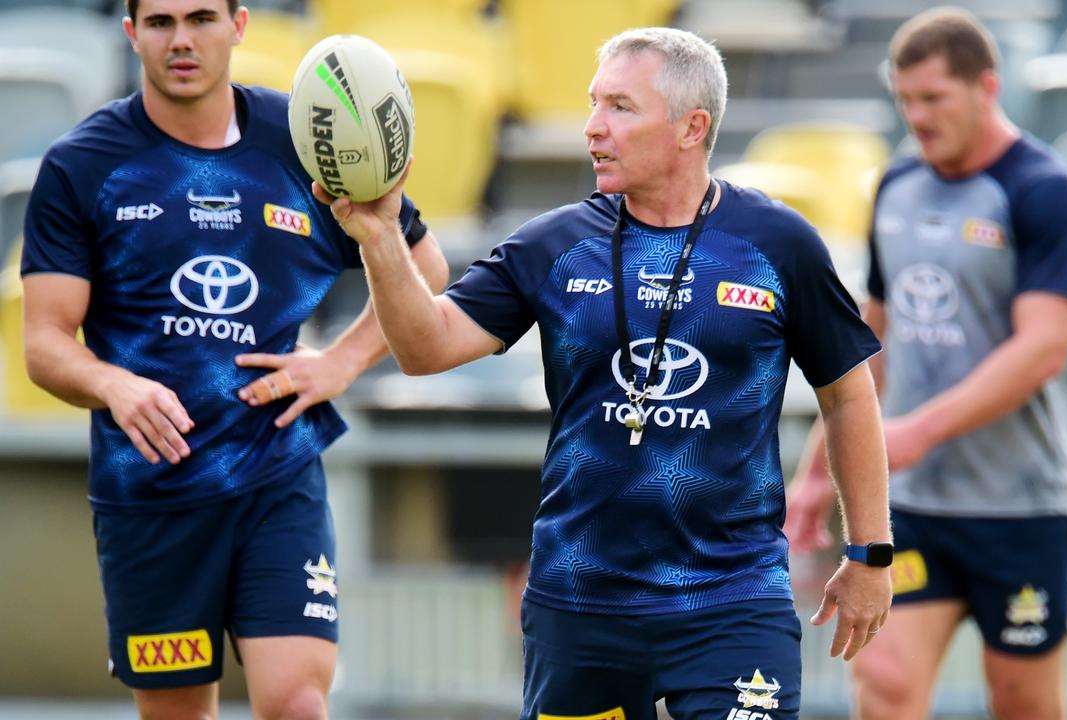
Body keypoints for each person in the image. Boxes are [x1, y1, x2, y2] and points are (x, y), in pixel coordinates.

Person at [322, 26, 892, 720]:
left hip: (732, 601)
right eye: (593, 105)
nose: (592, 128)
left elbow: (848, 395)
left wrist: (870, 551)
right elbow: (425, 349)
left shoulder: (777, 244)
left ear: (692, 127)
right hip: (580, 604)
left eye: (620, 108)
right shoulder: (556, 244)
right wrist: (382, 240)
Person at [20, 1, 446, 718]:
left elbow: (425, 267)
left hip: (276, 472)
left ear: (239, 25)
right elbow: (44, 343)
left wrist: (342, 361)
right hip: (151, 492)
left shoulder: (306, 139)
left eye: (201, 18)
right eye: (160, 23)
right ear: (131, 34)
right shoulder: (83, 166)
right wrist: (114, 384)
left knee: (297, 703)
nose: (181, 40)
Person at [784, 7, 1067, 720]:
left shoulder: (1045, 192)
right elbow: (870, 343)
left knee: (1023, 701)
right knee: (885, 679)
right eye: (905, 100)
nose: (917, 118)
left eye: (933, 99)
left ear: (987, 87)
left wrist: (917, 431)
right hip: (913, 506)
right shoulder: (896, 188)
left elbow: (1043, 348)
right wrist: (813, 474)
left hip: (1023, 506)